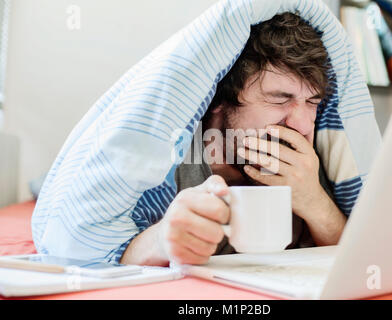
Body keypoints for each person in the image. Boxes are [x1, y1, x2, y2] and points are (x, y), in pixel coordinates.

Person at [120, 12, 348, 267]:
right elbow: (100, 259)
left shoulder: (302, 159)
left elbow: (356, 262)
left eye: (312, 102)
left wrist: (314, 201)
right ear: (218, 99)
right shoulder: (171, 160)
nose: (303, 124)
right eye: (279, 99)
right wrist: (161, 240)